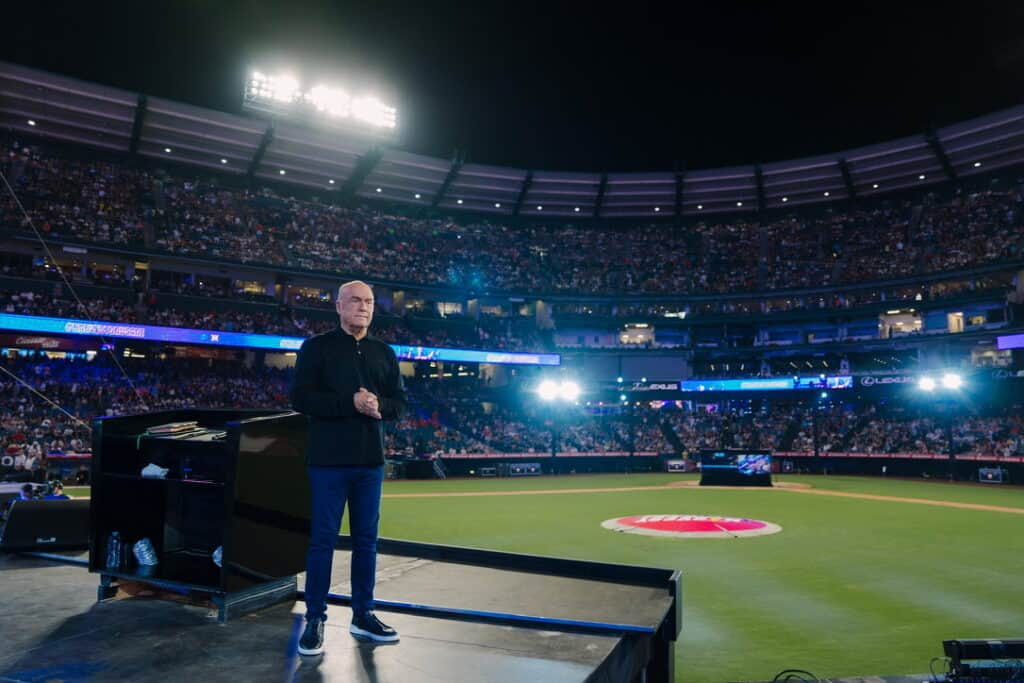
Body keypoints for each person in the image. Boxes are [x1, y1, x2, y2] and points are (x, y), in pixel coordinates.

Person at [290, 280, 407, 655]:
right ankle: (315, 619)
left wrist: (379, 408)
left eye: (369, 301)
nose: (363, 306)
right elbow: (301, 398)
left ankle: (363, 614)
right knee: (322, 542)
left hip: (370, 463)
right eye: (355, 300)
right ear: (338, 306)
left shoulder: (384, 352)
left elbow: (399, 404)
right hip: (327, 462)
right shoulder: (317, 347)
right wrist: (350, 403)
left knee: (366, 544)